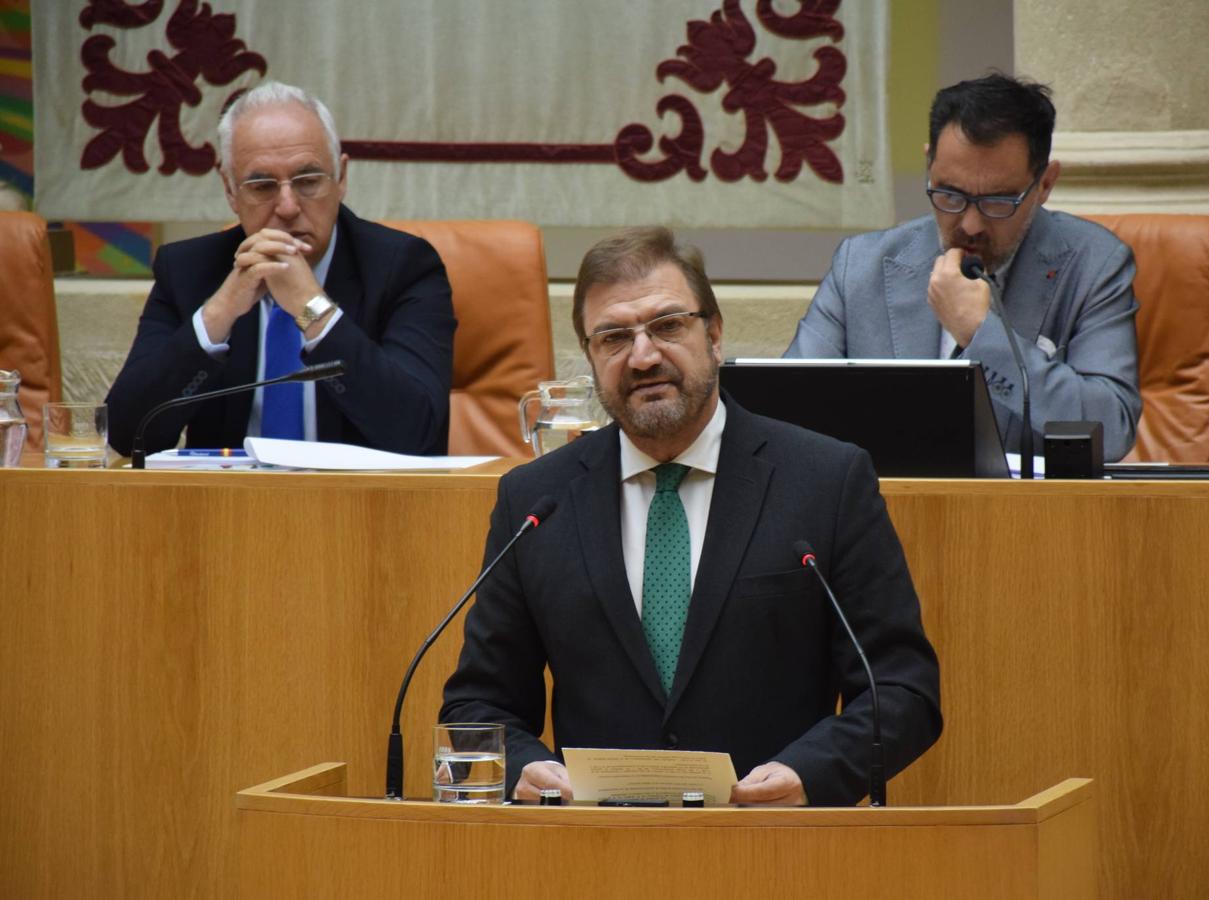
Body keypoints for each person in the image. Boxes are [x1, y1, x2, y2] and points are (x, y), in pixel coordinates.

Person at [441, 227, 941, 807]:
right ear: (590, 357)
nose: (644, 356)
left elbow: (902, 691)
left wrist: (811, 774)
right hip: (593, 856)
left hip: (776, 853)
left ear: (716, 335)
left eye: (667, 326)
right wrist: (526, 770)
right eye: (613, 337)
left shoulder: (824, 482)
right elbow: (478, 705)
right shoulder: (536, 502)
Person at [786, 73, 1142, 462]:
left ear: (1044, 184)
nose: (970, 224)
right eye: (950, 194)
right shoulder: (861, 266)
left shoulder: (1094, 264)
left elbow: (1111, 428)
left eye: (998, 201)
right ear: (929, 166)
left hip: (1026, 516)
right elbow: (788, 415)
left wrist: (981, 334)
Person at [106, 82, 455, 456]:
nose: (287, 207)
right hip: (229, 507)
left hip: (359, 507)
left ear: (340, 179)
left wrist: (311, 307)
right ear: (229, 190)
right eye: (262, 186)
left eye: (307, 182)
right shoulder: (189, 270)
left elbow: (420, 433)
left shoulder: (402, 267)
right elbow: (128, 435)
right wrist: (220, 311)